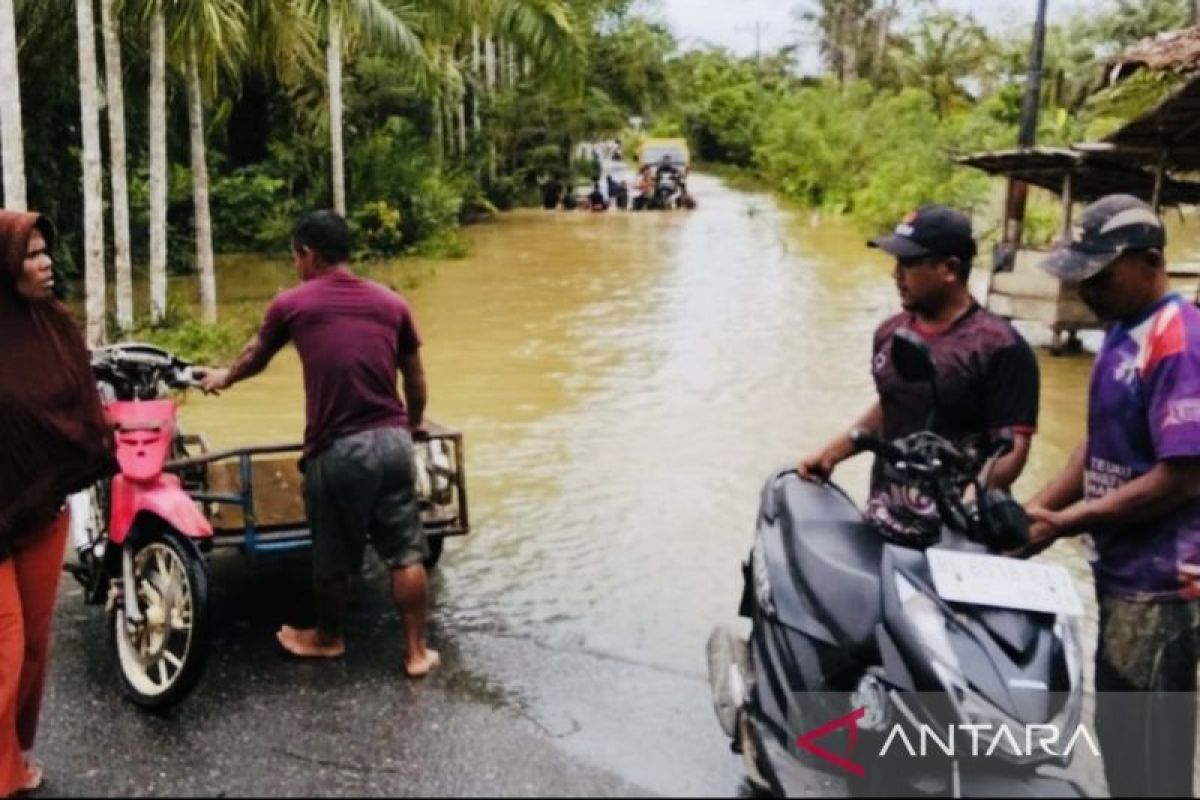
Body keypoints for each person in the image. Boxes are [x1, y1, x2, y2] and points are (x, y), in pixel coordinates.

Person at [196, 210, 439, 678]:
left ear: (307, 254)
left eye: (295, 256)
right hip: (392, 442)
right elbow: (416, 376)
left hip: (339, 448)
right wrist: (408, 427)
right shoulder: (391, 302)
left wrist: (222, 377)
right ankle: (415, 653)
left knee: (332, 555)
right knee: (406, 551)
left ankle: (328, 637)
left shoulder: (292, 304)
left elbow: (255, 356)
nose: (295, 264)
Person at [1020, 195, 1200, 798]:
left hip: (1163, 584)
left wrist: (1067, 523)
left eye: (1099, 273)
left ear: (1149, 262)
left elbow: (1183, 475)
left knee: (1148, 753)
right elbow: (1097, 445)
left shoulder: (1180, 340)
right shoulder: (1123, 333)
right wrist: (1037, 510)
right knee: (1119, 737)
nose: (1086, 287)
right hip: (1121, 571)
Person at [797, 205, 1039, 545]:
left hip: (955, 537)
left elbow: (1013, 449)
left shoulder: (1001, 348)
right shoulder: (889, 333)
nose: (896, 274)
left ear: (949, 269)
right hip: (882, 522)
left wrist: (968, 506)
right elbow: (895, 402)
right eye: (897, 263)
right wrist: (832, 452)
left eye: (909, 263)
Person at [0, 211, 117, 796]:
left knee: (37, 646)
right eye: (30, 255)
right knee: (5, 643)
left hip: (40, 508)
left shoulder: (56, 326)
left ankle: (14, 754)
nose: (46, 264)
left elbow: (79, 404)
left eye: (47, 252)